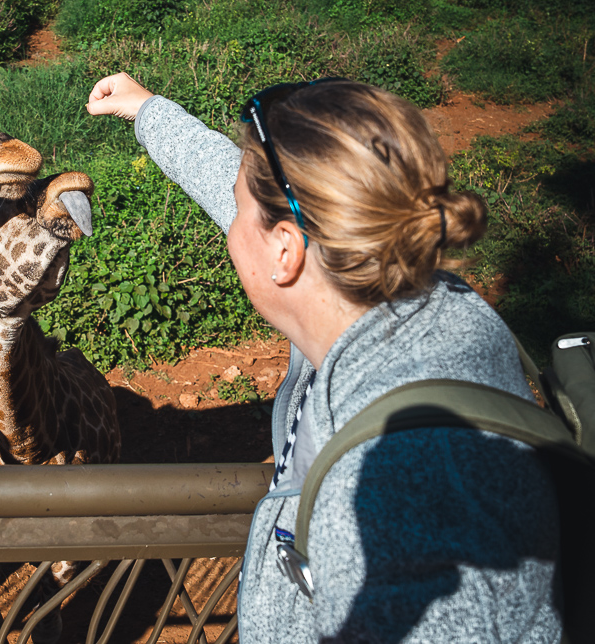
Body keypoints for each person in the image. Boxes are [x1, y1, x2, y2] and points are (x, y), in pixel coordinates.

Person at [87, 73, 561, 641]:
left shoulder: (405, 502)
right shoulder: (392, 284)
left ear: (286, 250)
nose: (231, 224)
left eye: (238, 216)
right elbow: (226, 179)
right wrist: (148, 111)